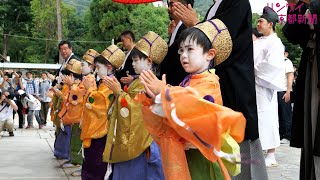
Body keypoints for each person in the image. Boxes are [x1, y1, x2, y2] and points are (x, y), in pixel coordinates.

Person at [171, 0, 268, 178]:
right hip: (216, 82)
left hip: (233, 84)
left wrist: (195, 24)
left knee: (237, 149)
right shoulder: (215, 6)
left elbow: (223, 43)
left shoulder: (237, 3)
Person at [139, 20, 246, 180]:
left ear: (210, 54)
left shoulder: (209, 83)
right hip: (188, 154)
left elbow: (191, 108)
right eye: (181, 50)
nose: (183, 55)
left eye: (190, 49)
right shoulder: (189, 81)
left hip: (201, 157)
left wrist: (163, 93)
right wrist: (154, 97)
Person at [103, 32, 165, 180]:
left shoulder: (148, 83)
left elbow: (135, 108)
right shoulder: (139, 81)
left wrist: (118, 92)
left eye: (136, 60)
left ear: (149, 62)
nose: (133, 64)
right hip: (139, 138)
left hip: (143, 142)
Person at [283, 0, 320, 179]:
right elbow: (293, 34)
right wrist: (293, 6)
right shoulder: (304, 7)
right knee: (310, 125)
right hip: (311, 66)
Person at [80, 46, 124, 180]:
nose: (96, 71)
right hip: (98, 130)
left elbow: (98, 104)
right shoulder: (105, 83)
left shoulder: (110, 84)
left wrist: (90, 90)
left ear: (109, 67)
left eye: (98, 67)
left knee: (96, 167)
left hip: (102, 132)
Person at [254, 6, 286, 167]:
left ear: (270, 24)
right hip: (253, 84)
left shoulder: (276, 43)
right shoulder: (258, 41)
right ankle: (257, 150)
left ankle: (271, 153)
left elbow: (271, 66)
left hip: (264, 85)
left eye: (261, 21)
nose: (258, 24)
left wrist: (252, 68)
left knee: (268, 117)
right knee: (256, 118)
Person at [160, 0, 193, 86]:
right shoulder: (176, 29)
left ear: (185, 7)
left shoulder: (187, 29)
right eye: (168, 5)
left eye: (172, 5)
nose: (168, 9)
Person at [278, 47, 294, 144]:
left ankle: (288, 136)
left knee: (286, 114)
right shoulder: (276, 62)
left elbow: (290, 76)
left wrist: (288, 91)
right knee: (278, 115)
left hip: (284, 91)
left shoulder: (287, 62)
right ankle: (281, 134)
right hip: (276, 91)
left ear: (286, 54)